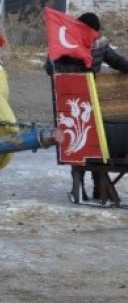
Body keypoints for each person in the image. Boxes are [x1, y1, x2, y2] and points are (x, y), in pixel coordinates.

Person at [46, 12, 128, 202]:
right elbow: (117, 62)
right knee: (86, 143)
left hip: (80, 101)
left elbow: (118, 62)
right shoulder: (72, 43)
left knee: (87, 144)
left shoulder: (84, 42)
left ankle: (90, 187)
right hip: (78, 100)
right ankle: (90, 188)